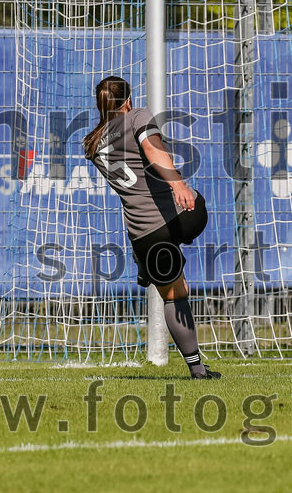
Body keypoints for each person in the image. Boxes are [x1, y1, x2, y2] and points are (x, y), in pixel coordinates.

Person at [83, 76, 220, 379]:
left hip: (144, 234)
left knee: (175, 295)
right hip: (179, 218)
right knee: (198, 206)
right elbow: (152, 148)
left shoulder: (92, 143)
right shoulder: (137, 116)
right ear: (128, 100)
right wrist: (178, 184)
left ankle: (197, 370)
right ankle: (150, 261)